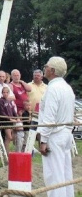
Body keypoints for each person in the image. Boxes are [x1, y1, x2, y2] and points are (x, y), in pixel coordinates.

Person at [38, 57, 75, 197]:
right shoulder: (67, 87)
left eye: (46, 66)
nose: (45, 69)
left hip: (55, 134)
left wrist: (43, 140)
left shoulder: (53, 88)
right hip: (66, 133)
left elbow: (49, 117)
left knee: (54, 175)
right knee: (66, 173)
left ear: (52, 70)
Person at [0, 87, 18, 154]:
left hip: (11, 121)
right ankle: (6, 152)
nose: (5, 94)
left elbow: (13, 110)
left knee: (11, 138)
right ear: (2, 93)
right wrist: (10, 119)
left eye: (6, 92)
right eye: (4, 92)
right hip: (5, 121)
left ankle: (8, 151)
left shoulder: (9, 101)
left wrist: (17, 117)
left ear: (9, 93)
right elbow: (1, 112)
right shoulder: (0, 101)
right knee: (9, 137)